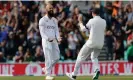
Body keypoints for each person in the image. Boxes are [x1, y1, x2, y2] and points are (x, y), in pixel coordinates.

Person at [66, 8, 106, 80]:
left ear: (93, 13)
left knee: (80, 56)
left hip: (91, 42)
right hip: (100, 43)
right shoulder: (104, 21)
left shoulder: (91, 20)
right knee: (94, 57)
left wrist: (80, 22)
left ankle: (74, 75)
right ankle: (97, 70)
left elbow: (83, 29)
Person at [39, 2, 61, 80]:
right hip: (46, 40)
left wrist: (58, 38)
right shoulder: (42, 20)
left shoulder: (55, 20)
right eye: (49, 8)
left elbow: (56, 31)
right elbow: (42, 33)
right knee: (48, 57)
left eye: (52, 8)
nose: (51, 9)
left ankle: (46, 69)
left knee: (57, 58)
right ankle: (48, 75)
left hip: (54, 40)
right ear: (46, 10)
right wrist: (48, 38)